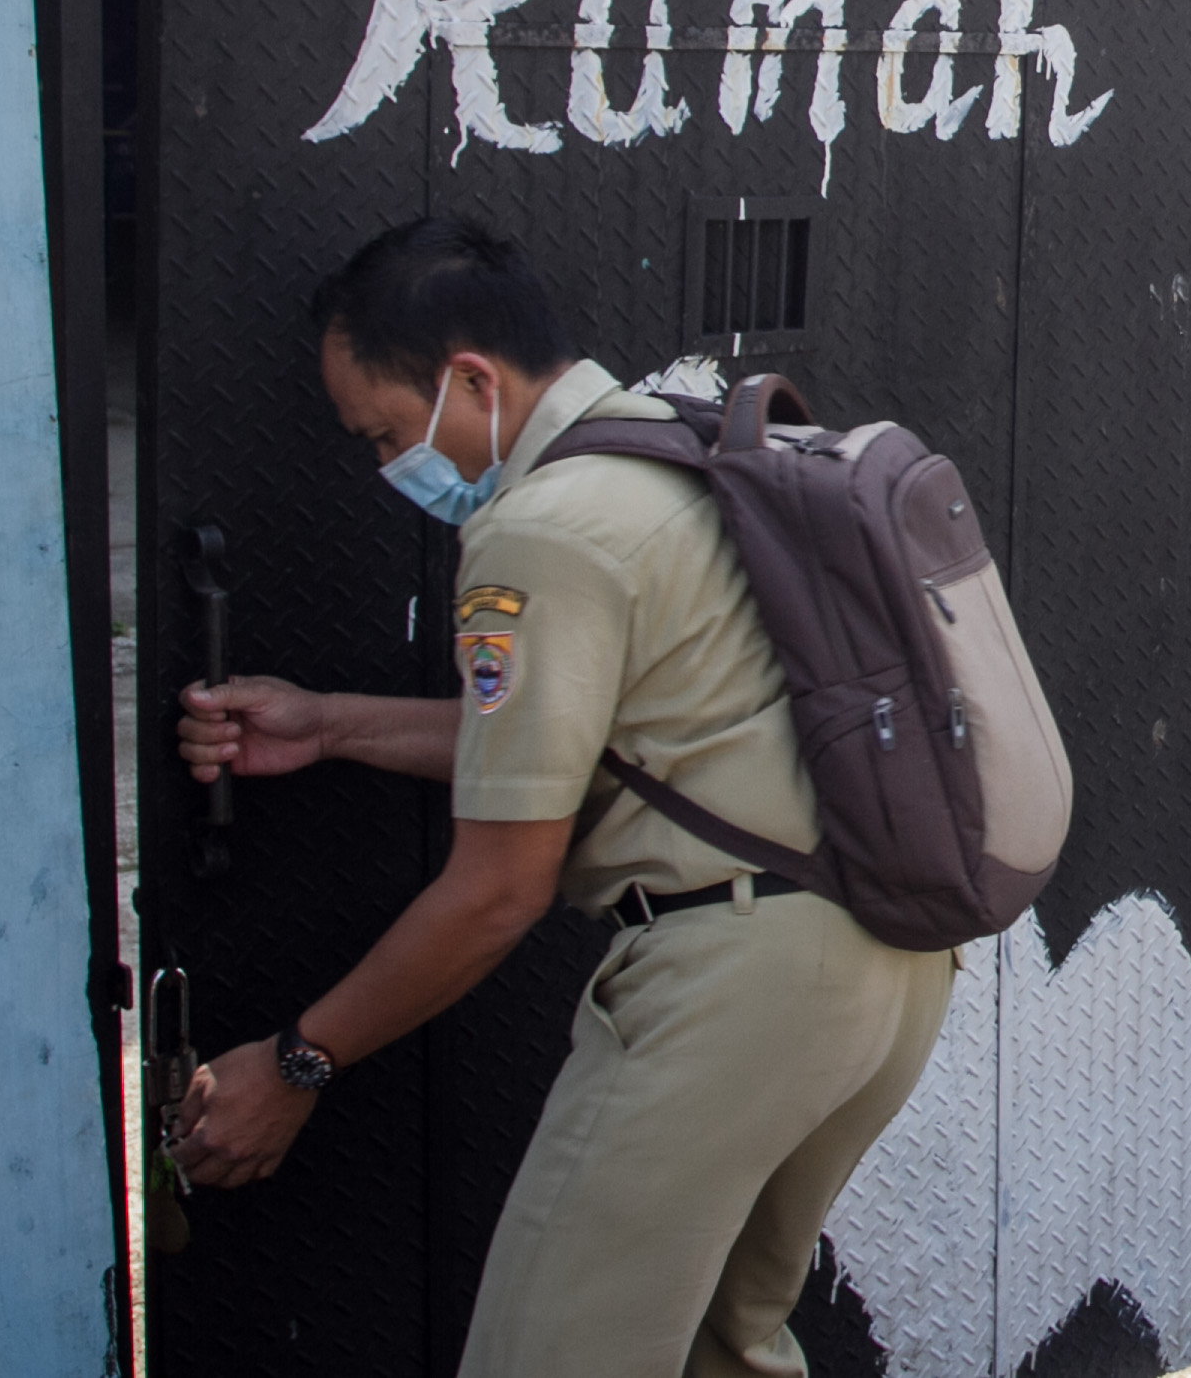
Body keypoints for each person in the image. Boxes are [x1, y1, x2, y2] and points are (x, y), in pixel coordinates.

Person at [170, 216, 952, 1378]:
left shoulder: (541, 528)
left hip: (735, 987)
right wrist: (327, 723)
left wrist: (296, 1062)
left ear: (470, 379)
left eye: (386, 433)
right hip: (884, 961)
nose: (389, 467)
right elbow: (594, 745)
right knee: (717, 1351)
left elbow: (497, 890)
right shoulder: (674, 449)